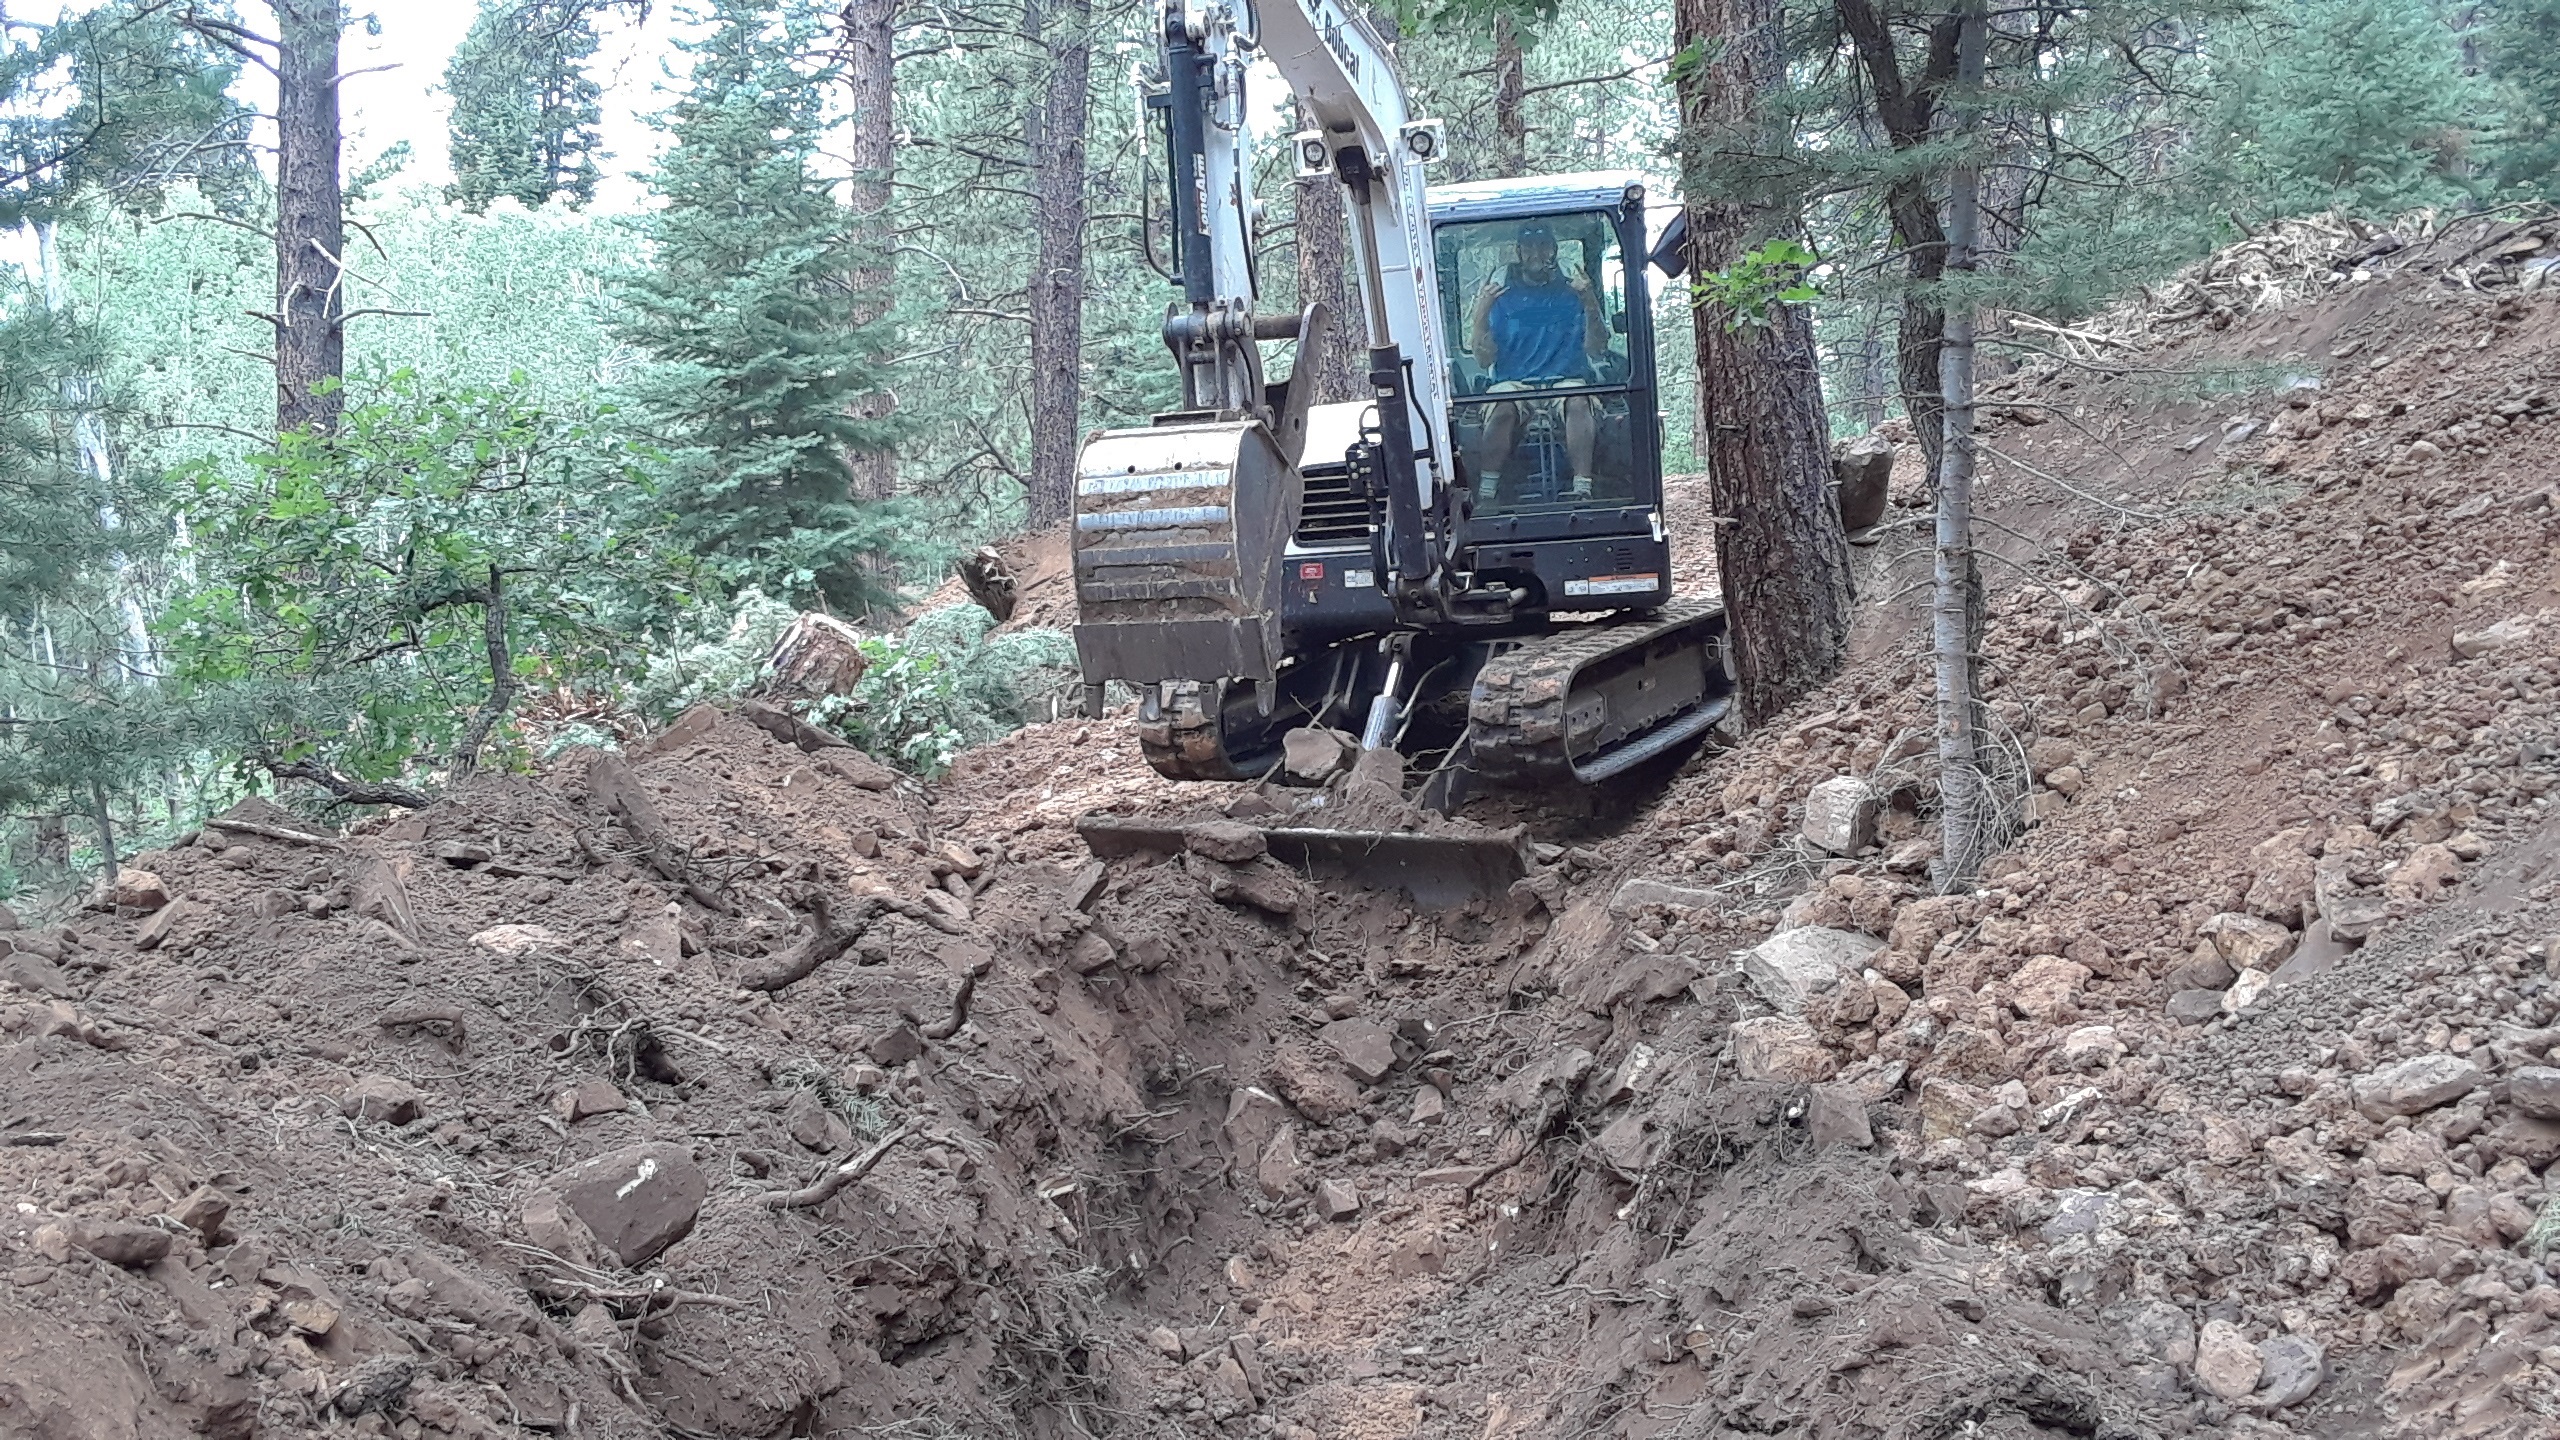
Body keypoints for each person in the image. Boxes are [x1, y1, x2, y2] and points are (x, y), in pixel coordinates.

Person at [1465, 222, 1608, 503]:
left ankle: (1582, 487)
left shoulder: (1572, 294)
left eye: (1543, 246)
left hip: (1565, 380)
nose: (1536, 253)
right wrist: (1482, 311)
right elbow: (1484, 360)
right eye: (1528, 247)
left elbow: (1597, 348)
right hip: (1514, 384)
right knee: (1503, 404)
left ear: (1553, 250)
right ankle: (1486, 493)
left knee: (1577, 400)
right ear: (1518, 252)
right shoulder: (1501, 299)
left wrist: (1590, 301)